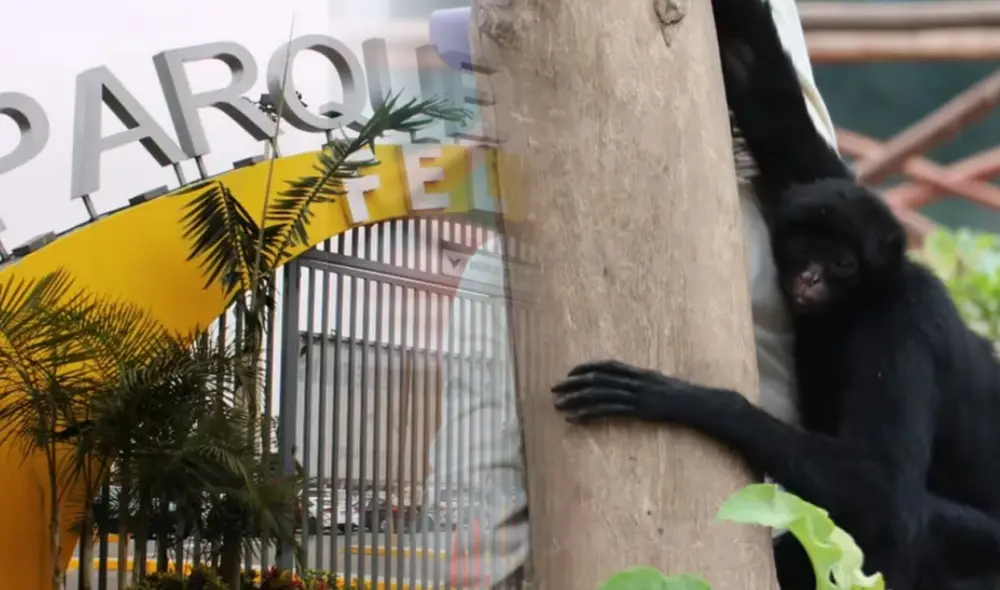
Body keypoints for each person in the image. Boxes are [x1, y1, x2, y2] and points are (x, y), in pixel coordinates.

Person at [423, 3, 839, 586]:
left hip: (660, 191)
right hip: (783, 549)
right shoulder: (813, 258)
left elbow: (476, 516)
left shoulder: (506, 269)